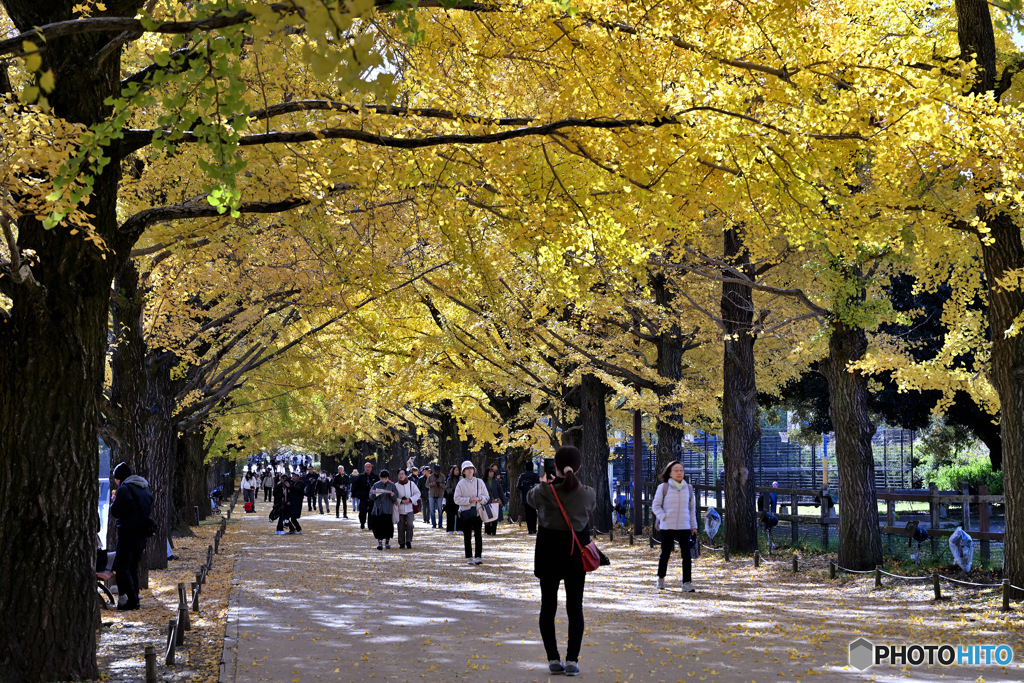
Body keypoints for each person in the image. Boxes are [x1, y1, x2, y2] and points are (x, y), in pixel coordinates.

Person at [527, 446, 597, 677]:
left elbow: (529, 499)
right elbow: (587, 512)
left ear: (554, 467)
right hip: (575, 555)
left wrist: (546, 481)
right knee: (575, 607)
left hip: (548, 554)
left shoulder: (543, 491)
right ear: (579, 467)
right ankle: (572, 661)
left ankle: (553, 658)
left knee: (548, 607)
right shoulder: (588, 493)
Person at [109, 462, 154, 611]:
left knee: (122, 568)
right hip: (141, 534)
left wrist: (113, 502)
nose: (115, 481)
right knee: (133, 566)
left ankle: (130, 601)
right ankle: (135, 599)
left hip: (127, 533)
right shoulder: (144, 488)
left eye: (116, 478)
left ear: (120, 477)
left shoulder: (124, 489)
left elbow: (115, 512)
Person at [651, 460, 697, 592]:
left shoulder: (688, 488)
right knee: (665, 554)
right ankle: (660, 579)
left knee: (687, 556)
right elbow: (655, 506)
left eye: (681, 470)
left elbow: (692, 509)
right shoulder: (663, 487)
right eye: (676, 470)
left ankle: (687, 583)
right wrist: (664, 517)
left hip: (684, 525)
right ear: (670, 473)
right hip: (667, 526)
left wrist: (693, 526)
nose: (679, 472)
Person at [454, 460, 489, 565]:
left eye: (471, 468)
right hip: (465, 512)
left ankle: (478, 556)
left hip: (478, 512)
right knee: (467, 536)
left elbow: (486, 497)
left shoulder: (479, 482)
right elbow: (456, 499)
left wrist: (479, 498)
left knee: (478, 535)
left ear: (474, 470)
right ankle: (469, 556)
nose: (470, 470)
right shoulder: (461, 483)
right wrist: (469, 500)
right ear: (463, 472)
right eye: (467, 469)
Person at [370, 471, 398, 550]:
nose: (384, 480)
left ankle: (387, 542)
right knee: (378, 526)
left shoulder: (392, 485)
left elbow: (396, 498)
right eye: (382, 478)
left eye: (385, 478)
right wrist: (373, 493)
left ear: (388, 478)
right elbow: (371, 497)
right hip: (378, 508)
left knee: (388, 527)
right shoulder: (376, 485)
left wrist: (393, 496)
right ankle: (379, 542)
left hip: (388, 509)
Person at [393, 469, 421, 549]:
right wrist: (400, 501)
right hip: (400, 509)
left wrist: (410, 499)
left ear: (405, 475)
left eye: (402, 474)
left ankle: (408, 541)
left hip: (409, 509)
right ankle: (401, 542)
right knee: (400, 526)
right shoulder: (395, 485)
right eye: (399, 474)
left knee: (410, 525)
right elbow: (393, 497)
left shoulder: (411, 484)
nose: (401, 475)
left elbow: (417, 493)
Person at [352, 462, 376, 530]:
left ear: (371, 468)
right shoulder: (360, 477)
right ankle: (362, 523)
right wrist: (354, 494)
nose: (367, 468)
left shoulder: (375, 476)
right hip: (363, 497)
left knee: (371, 512)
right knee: (362, 512)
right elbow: (355, 486)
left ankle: (370, 526)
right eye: (366, 467)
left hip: (372, 498)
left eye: (369, 467)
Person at [517, 464, 541, 534]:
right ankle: (534, 528)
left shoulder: (522, 476)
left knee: (528, 514)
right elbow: (539, 485)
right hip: (534, 498)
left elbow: (518, 486)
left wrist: (524, 489)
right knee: (534, 513)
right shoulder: (536, 476)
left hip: (525, 497)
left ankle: (530, 529)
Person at [483, 468, 506, 536]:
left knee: (495, 517)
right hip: (486, 502)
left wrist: (504, 501)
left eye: (493, 472)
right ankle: (488, 531)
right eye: (490, 472)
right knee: (487, 516)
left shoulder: (496, 482)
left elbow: (501, 492)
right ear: (487, 473)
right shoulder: (483, 482)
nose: (492, 473)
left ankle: (493, 531)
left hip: (495, 502)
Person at [427, 464, 446, 529]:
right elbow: (426, 484)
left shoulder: (442, 476)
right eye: (436, 471)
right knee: (432, 510)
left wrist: (440, 485)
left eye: (438, 471)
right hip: (432, 495)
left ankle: (440, 524)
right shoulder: (430, 476)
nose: (437, 472)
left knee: (440, 510)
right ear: (434, 470)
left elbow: (445, 485)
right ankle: (434, 524)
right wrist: (432, 484)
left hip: (439, 494)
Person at [444, 465, 461, 534]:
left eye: (458, 470)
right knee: (450, 514)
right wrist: (454, 490)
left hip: (459, 498)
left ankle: (459, 528)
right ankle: (450, 529)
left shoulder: (461, 479)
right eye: (455, 470)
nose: (457, 472)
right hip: (451, 497)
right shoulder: (449, 479)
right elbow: (447, 489)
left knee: (459, 513)